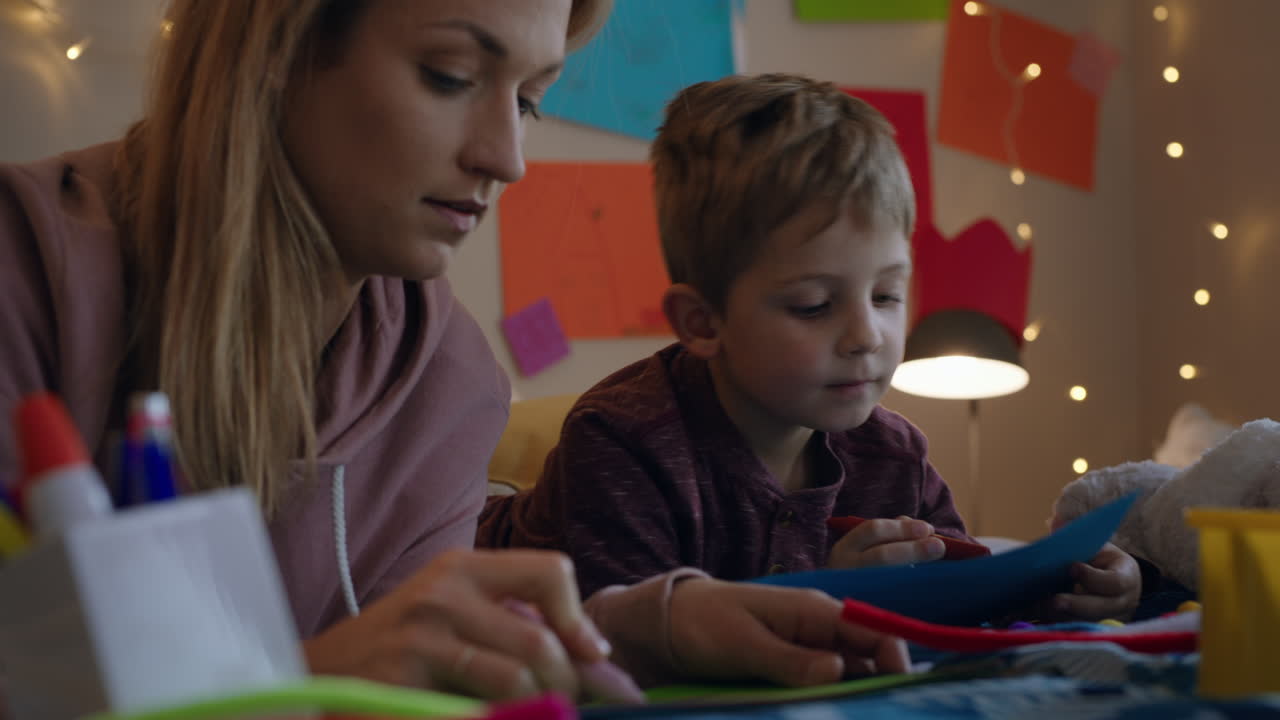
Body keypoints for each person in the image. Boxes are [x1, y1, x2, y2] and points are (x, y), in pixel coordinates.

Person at [0, 0, 911, 704]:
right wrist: (311, 688)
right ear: (276, 49)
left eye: (529, 99)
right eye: (449, 74)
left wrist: (636, 630)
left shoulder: (451, 380)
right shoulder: (25, 275)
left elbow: (431, 670)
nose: (506, 156)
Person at [478, 73, 1142, 622]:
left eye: (886, 296)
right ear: (703, 322)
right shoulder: (622, 443)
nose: (865, 337)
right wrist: (821, 591)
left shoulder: (893, 454)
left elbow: (967, 590)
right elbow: (619, 646)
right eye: (814, 306)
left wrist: (1069, 584)